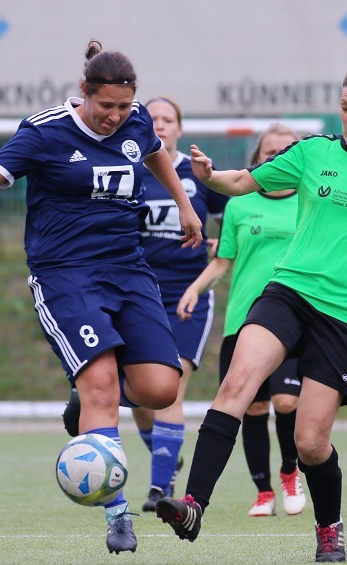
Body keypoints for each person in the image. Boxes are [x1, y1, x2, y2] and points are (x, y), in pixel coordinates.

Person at [155, 39, 347, 563]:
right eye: (345, 108)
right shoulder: (313, 153)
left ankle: (328, 528)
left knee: (310, 442)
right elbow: (242, 182)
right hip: (289, 292)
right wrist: (208, 177)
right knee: (235, 385)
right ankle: (193, 503)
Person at [0, 39, 203, 556]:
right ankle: (117, 516)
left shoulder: (137, 120)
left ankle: (91, 404)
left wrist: (184, 204)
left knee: (162, 389)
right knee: (100, 383)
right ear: (83, 93)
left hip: (129, 271)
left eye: (123, 106)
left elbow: (157, 156)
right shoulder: (44, 132)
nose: (116, 116)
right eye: (105, 106)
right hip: (65, 275)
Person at [176, 123, 307, 518]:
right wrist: (196, 288)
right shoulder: (239, 205)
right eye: (270, 152)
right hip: (244, 320)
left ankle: (289, 472)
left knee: (287, 401)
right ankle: (263, 492)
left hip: (294, 317)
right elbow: (223, 260)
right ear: (257, 160)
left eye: (287, 150)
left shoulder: (311, 201)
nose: (278, 157)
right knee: (251, 408)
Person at [129, 96, 228, 511]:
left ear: (181, 129)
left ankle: (158, 488)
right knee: (139, 396)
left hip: (188, 295)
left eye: (169, 120)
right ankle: (167, 455)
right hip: (138, 295)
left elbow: (237, 212)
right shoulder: (129, 172)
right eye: (153, 119)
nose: (162, 125)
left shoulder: (198, 176)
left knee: (171, 388)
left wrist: (226, 241)